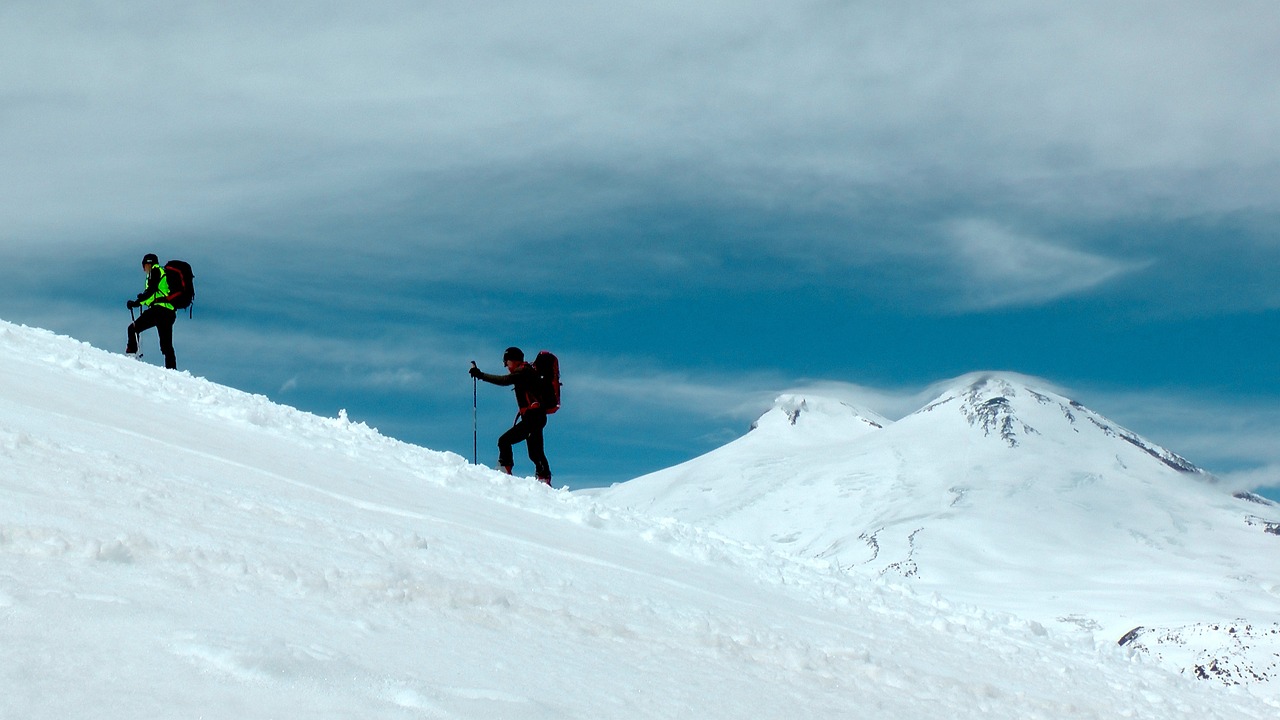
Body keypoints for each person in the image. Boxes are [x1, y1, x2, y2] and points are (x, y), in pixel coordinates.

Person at [470, 347, 552, 485]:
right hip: (536, 417)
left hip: (533, 417)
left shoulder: (522, 371)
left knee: (504, 441)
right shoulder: (527, 371)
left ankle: (504, 470)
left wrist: (480, 375)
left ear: (513, 360)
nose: (506, 366)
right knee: (535, 451)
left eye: (506, 362)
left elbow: (504, 380)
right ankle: (544, 478)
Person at [125, 253, 178, 369]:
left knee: (133, 328)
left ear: (148, 264)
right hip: (169, 312)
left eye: (144, 265)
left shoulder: (155, 271)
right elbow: (152, 294)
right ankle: (172, 369)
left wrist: (136, 302)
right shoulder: (161, 273)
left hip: (158, 310)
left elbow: (151, 290)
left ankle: (131, 355)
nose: (143, 269)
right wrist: (140, 300)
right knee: (166, 345)